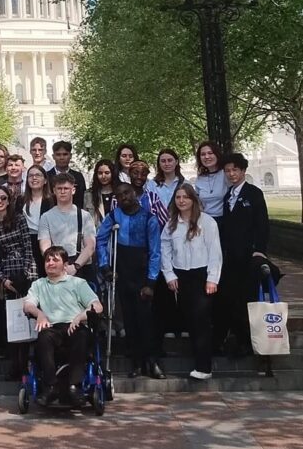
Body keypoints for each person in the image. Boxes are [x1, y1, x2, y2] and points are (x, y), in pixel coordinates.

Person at [98, 183, 163, 379]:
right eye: (119, 195)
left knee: (147, 320)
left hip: (143, 274)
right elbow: (100, 239)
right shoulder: (114, 216)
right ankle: (135, 363)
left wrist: (151, 283)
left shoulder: (149, 219)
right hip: (122, 273)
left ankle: (152, 361)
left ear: (134, 193)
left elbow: (155, 253)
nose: (124, 197)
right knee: (130, 320)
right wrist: (105, 267)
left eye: (126, 193)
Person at [23, 246, 103, 406]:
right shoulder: (39, 284)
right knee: (43, 337)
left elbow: (98, 306)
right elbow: (27, 305)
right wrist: (40, 314)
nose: (50, 263)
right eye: (47, 260)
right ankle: (51, 386)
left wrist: (80, 317)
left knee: (81, 335)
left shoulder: (78, 283)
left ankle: (74, 386)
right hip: (52, 328)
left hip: (75, 326)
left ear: (65, 265)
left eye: (55, 260)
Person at [160, 183, 221, 380]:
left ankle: (204, 367)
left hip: (202, 275)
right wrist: (169, 275)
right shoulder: (171, 225)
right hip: (181, 276)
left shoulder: (207, 222)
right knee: (190, 320)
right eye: (178, 197)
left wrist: (212, 278)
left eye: (185, 197)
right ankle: (198, 361)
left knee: (201, 320)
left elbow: (215, 253)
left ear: (193, 199)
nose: (181, 201)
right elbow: (165, 251)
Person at [218, 153, 270, 356]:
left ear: (243, 171)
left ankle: (251, 341)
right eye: (228, 171)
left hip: (248, 256)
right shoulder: (228, 196)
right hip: (231, 257)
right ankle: (239, 339)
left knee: (248, 298)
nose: (231, 174)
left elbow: (262, 224)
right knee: (232, 298)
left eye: (235, 170)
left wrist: (260, 250)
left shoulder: (254, 193)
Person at [0, 184, 37, 379]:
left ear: (8, 200)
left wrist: (26, 274)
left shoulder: (19, 218)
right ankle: (15, 365)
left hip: (26, 272)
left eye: (3, 198)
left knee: (29, 318)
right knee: (13, 322)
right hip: (6, 273)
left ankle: (29, 365)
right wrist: (2, 278)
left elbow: (27, 247)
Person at [38, 173, 96, 283]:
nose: (63, 191)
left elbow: (90, 246)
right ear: (54, 191)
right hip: (56, 266)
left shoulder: (84, 216)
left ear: (73, 190)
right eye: (59, 188)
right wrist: (57, 265)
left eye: (66, 188)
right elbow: (44, 247)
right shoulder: (46, 217)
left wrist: (75, 267)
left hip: (81, 267)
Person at [19, 164, 54, 276]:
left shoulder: (52, 200)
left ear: (45, 180)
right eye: (31, 175)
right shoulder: (20, 200)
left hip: (46, 241)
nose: (34, 178)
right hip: (25, 242)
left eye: (38, 175)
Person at [192, 141, 229, 220]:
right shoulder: (200, 178)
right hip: (206, 221)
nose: (206, 157)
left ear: (217, 155)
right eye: (203, 154)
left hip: (226, 220)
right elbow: (198, 201)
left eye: (210, 153)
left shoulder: (225, 174)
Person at [47, 141, 87, 210]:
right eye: (58, 154)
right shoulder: (46, 176)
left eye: (65, 154)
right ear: (53, 156)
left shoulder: (78, 177)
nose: (62, 157)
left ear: (70, 156)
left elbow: (82, 199)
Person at [84, 158, 116, 226]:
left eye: (107, 173)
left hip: (116, 234)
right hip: (96, 233)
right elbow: (85, 219)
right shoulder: (89, 194)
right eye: (100, 173)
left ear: (112, 173)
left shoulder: (119, 193)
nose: (103, 176)